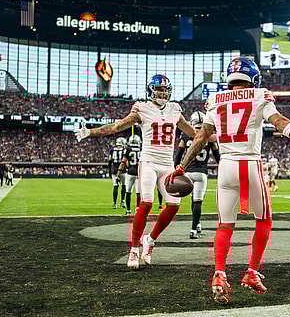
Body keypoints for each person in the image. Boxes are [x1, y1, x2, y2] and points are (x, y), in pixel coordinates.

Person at [165, 57, 290, 303]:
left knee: (224, 226)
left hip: (226, 166)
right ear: (252, 77)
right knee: (263, 220)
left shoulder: (215, 100)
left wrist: (181, 166)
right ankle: (251, 271)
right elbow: (280, 122)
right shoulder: (259, 95)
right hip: (250, 164)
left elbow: (200, 137)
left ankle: (220, 274)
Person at [75, 74, 199, 270]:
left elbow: (193, 133)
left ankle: (150, 240)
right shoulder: (142, 108)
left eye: (165, 90)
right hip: (148, 161)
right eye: (159, 90)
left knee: (174, 205)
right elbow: (117, 126)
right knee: (146, 203)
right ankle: (134, 249)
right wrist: (91, 132)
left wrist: (218, 137)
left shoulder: (175, 109)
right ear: (150, 91)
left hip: (167, 165)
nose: (162, 93)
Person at [174, 111, 220, 239]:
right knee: (198, 201)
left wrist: (176, 170)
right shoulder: (209, 136)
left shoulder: (185, 135)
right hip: (201, 173)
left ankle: (197, 222)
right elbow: (217, 157)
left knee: (192, 199)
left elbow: (178, 156)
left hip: (187, 172)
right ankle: (194, 228)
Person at [119, 134, 142, 215]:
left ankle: (128, 210)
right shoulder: (141, 149)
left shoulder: (128, 149)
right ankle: (137, 209)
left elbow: (124, 161)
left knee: (128, 191)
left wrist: (119, 171)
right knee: (138, 193)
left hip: (130, 172)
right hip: (139, 173)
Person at [109, 137, 127, 209]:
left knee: (115, 186)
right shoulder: (124, 150)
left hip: (114, 170)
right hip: (122, 170)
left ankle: (114, 203)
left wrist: (110, 170)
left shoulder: (112, 150)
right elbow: (125, 160)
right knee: (124, 185)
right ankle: (122, 201)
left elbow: (110, 160)